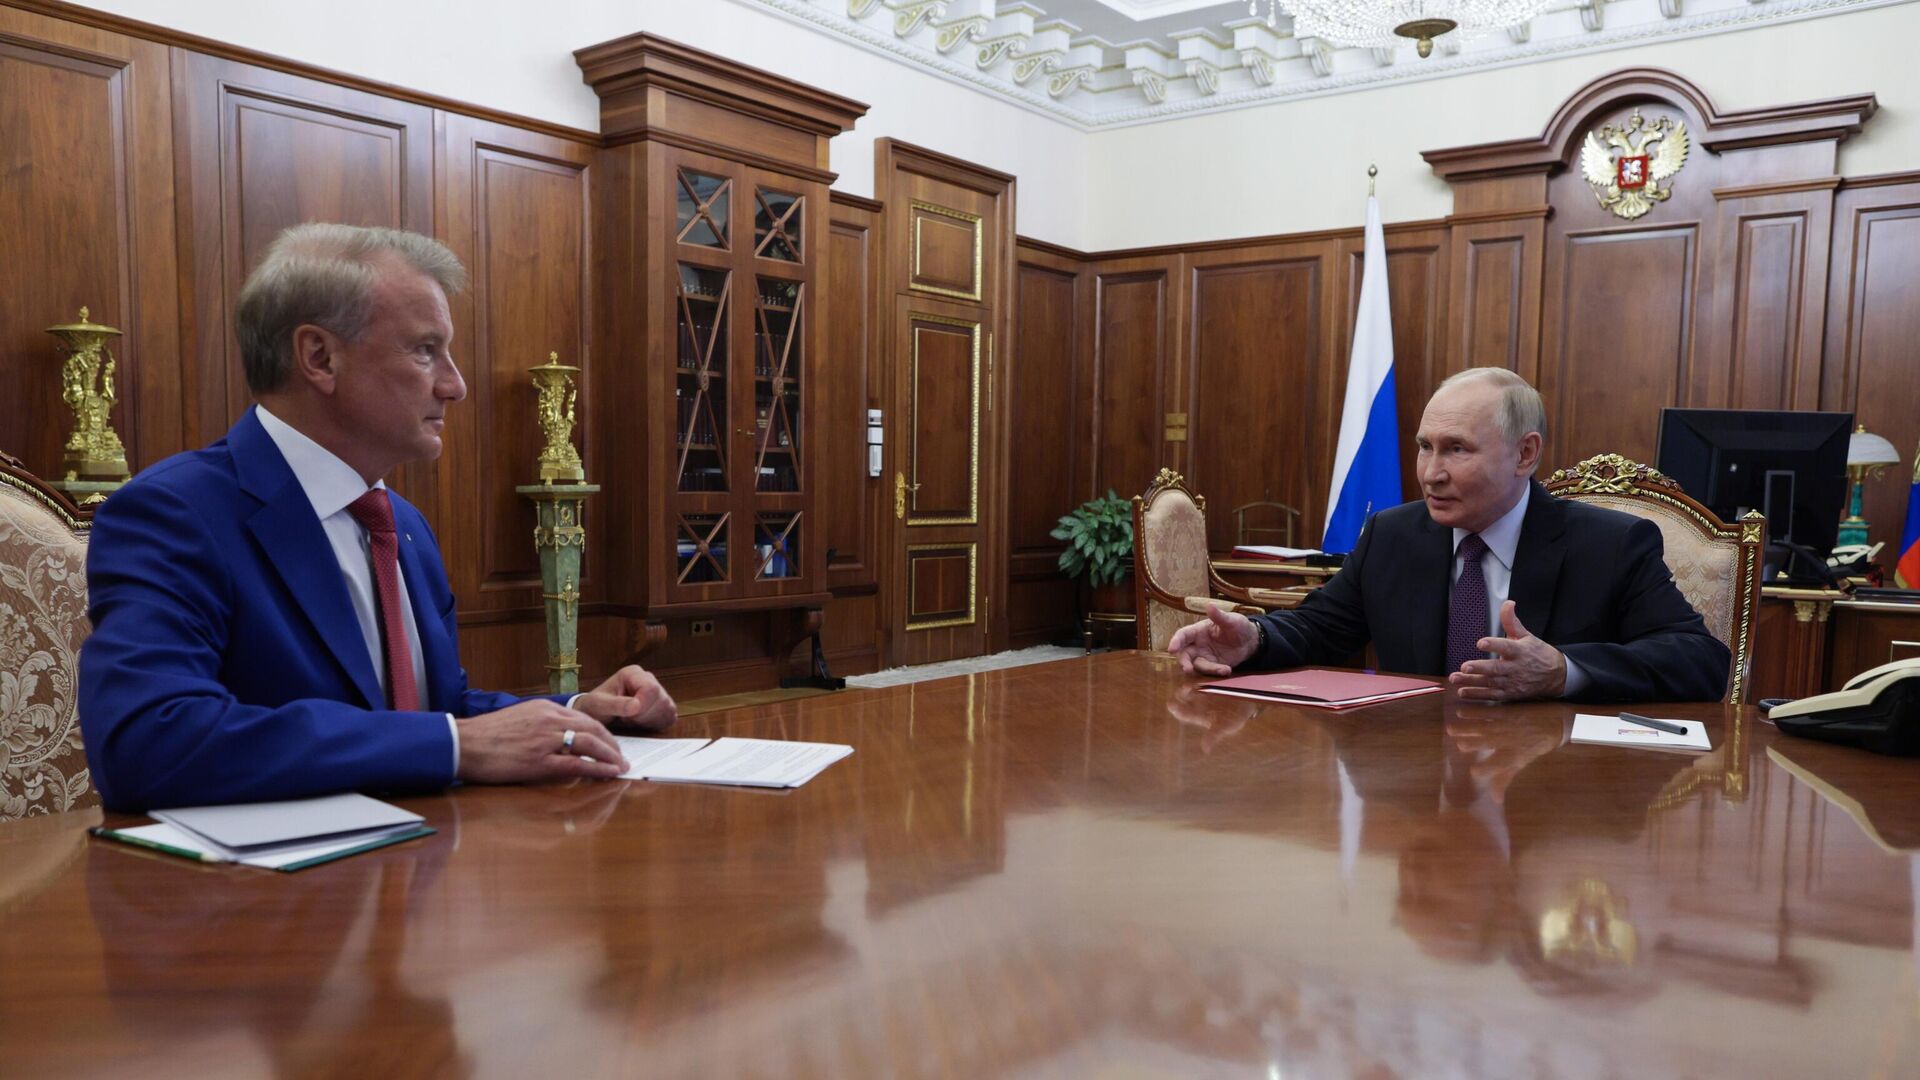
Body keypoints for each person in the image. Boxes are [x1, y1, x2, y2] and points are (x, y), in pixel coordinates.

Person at [79, 224, 674, 811]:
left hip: (421, 856)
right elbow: (147, 741)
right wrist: (455, 745)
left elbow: (431, 712)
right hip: (264, 873)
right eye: (425, 350)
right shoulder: (174, 513)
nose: (456, 385)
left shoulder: (403, 525)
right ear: (319, 357)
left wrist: (578, 717)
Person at [1168, 367, 1729, 702]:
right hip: (1417, 784)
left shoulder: (1610, 544)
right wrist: (1255, 639)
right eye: (1424, 447)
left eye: (1456, 449)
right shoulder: (1393, 534)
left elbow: (1700, 660)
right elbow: (1321, 627)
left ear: (1524, 454)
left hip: (1551, 798)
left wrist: (1563, 671)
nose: (1431, 473)